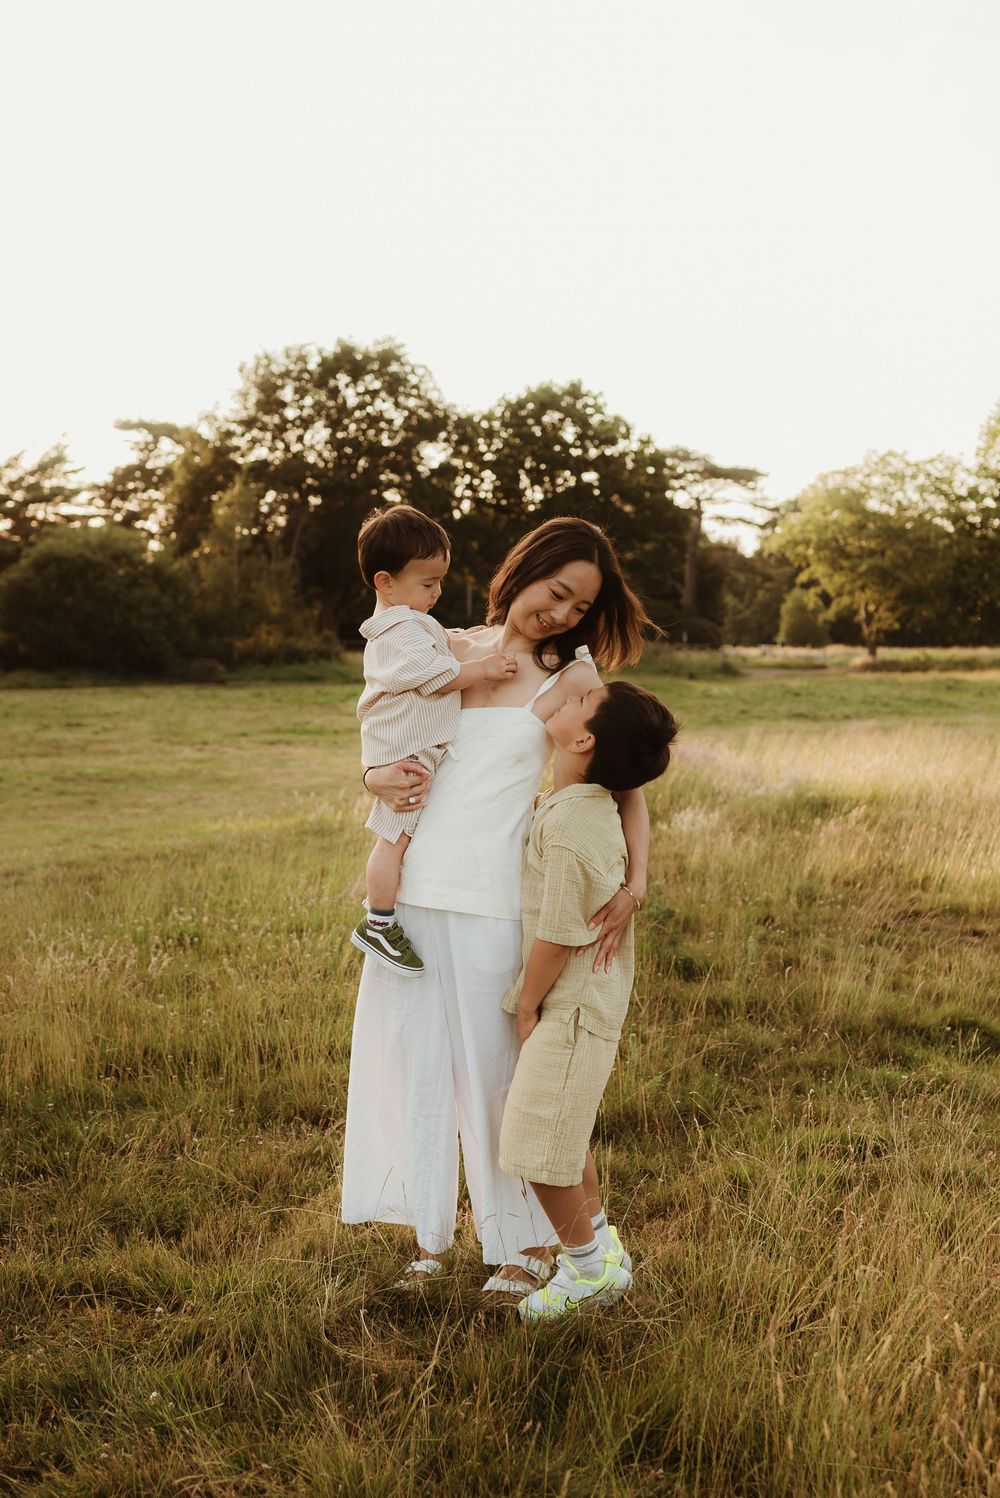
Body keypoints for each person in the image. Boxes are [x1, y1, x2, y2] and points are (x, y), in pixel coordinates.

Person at [341, 516, 654, 1294]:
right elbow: (385, 731)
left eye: (579, 607)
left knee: (498, 1076)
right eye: (556, 593)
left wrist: (635, 884)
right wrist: (372, 779)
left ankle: (527, 1246)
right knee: (417, 1066)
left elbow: (628, 790)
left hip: (495, 900)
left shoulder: (571, 681)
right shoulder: (439, 643)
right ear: (525, 571)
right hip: (413, 889)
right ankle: (430, 1236)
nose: (561, 614)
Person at [498, 680, 678, 1321]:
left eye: (579, 704)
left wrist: (525, 1004)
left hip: (570, 1008)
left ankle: (584, 1271)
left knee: (537, 1144)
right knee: (562, 1134)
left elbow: (556, 934)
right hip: (580, 1004)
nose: (569, 698)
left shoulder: (575, 822)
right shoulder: (580, 802)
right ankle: (600, 1251)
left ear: (583, 739)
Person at [353, 505, 517, 976]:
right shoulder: (396, 631)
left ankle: (382, 918)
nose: (437, 592)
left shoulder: (408, 623)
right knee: (395, 837)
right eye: (427, 584)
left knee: (400, 835)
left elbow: (435, 643)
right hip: (402, 755)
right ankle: (379, 921)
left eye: (439, 581)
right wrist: (482, 668)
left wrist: (460, 637)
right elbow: (433, 677)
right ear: (385, 582)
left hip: (409, 747)